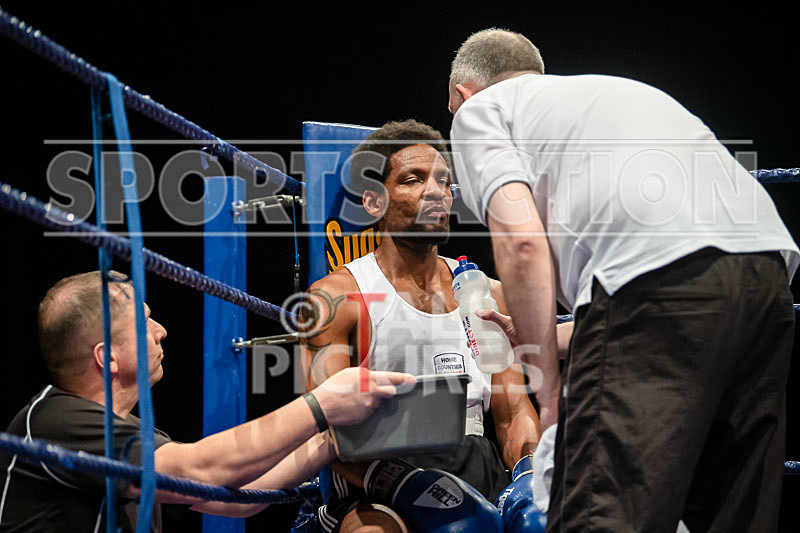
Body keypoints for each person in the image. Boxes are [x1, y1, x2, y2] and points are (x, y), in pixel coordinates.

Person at [447, 28, 799, 532]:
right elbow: (683, 300)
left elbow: (521, 244)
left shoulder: (481, 112)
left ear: (463, 92)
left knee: (600, 513)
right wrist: (539, 335)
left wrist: (547, 395)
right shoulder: (609, 95)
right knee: (728, 511)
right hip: (766, 278)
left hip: (655, 280)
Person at [0, 270, 415, 532]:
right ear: (106, 356)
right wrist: (320, 405)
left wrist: (332, 440)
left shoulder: (136, 439)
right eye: (144, 322)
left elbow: (233, 496)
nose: (161, 331)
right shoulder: (52, 423)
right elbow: (202, 467)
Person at [299, 119, 555, 533]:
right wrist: (401, 482)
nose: (435, 191)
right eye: (413, 180)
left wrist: (529, 473)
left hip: (477, 464)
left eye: (443, 181)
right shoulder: (337, 298)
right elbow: (319, 427)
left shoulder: (485, 291)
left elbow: (512, 414)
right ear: (374, 202)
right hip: (375, 474)